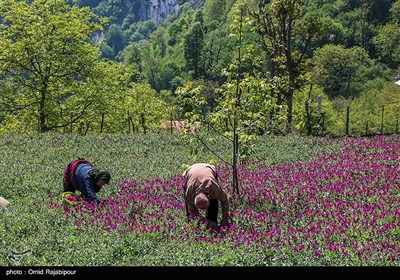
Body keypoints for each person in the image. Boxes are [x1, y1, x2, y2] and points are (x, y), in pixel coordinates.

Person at [183, 163, 230, 230]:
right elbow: (193, 212)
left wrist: (225, 218)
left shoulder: (213, 187)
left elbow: (224, 200)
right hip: (190, 171)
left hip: (208, 168)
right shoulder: (189, 194)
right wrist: (205, 221)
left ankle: (213, 221)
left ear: (208, 196)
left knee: (214, 199)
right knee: (190, 213)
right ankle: (194, 227)